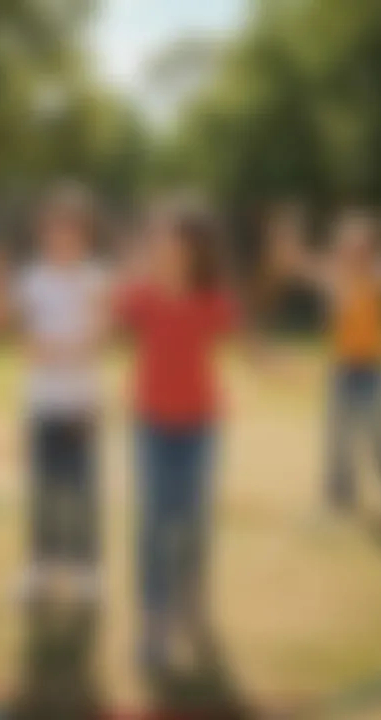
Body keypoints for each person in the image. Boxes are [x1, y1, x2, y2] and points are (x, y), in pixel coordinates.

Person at [114, 200, 271, 677]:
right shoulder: (139, 295)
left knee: (193, 520)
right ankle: (155, 622)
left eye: (169, 237)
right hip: (151, 426)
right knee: (156, 523)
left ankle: (191, 605)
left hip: (201, 427)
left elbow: (245, 340)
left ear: (192, 248)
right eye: (156, 237)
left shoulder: (213, 298)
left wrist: (272, 361)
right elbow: (108, 318)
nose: (161, 244)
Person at [267, 208, 381, 518]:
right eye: (349, 246)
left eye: (362, 247)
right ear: (340, 249)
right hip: (343, 368)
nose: (355, 253)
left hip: (375, 369)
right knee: (338, 433)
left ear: (371, 249)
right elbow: (289, 263)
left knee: (380, 429)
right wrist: (286, 229)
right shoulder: (332, 275)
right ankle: (340, 495)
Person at [15, 183, 107, 604]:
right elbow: (29, 345)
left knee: (83, 490)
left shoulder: (96, 279)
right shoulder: (31, 279)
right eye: (54, 227)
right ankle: (41, 568)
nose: (62, 235)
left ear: (83, 234)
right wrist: (65, 347)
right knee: (45, 490)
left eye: (70, 228)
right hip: (42, 403)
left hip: (83, 404)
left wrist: (60, 347)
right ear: (44, 232)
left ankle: (88, 572)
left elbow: (97, 337)